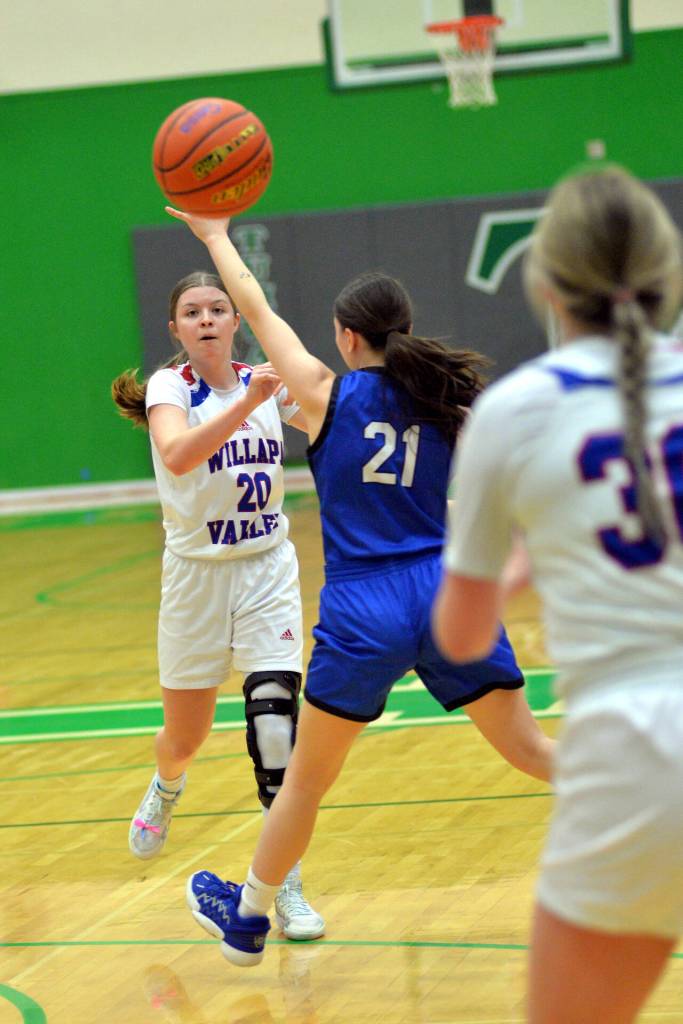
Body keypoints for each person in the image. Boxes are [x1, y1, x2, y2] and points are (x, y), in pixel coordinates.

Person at [164, 206, 555, 968]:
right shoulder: (448, 402)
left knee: (305, 786)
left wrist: (215, 236)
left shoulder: (322, 392)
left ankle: (246, 920)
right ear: (402, 330)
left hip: (362, 604)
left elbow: (254, 307)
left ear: (346, 337)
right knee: (533, 748)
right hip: (445, 595)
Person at [432, 165, 683, 1024]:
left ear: (541, 283)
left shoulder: (513, 411)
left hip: (638, 755)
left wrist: (512, 569)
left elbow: (461, 639)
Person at [111, 270, 325, 941]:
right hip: (195, 578)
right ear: (174, 329)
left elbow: (327, 415)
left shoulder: (266, 381)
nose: (205, 319)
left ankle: (282, 885)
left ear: (236, 321)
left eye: (217, 309)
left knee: (274, 728)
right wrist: (249, 400)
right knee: (185, 737)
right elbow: (178, 454)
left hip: (266, 569)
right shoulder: (171, 389)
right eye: (191, 312)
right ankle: (167, 786)